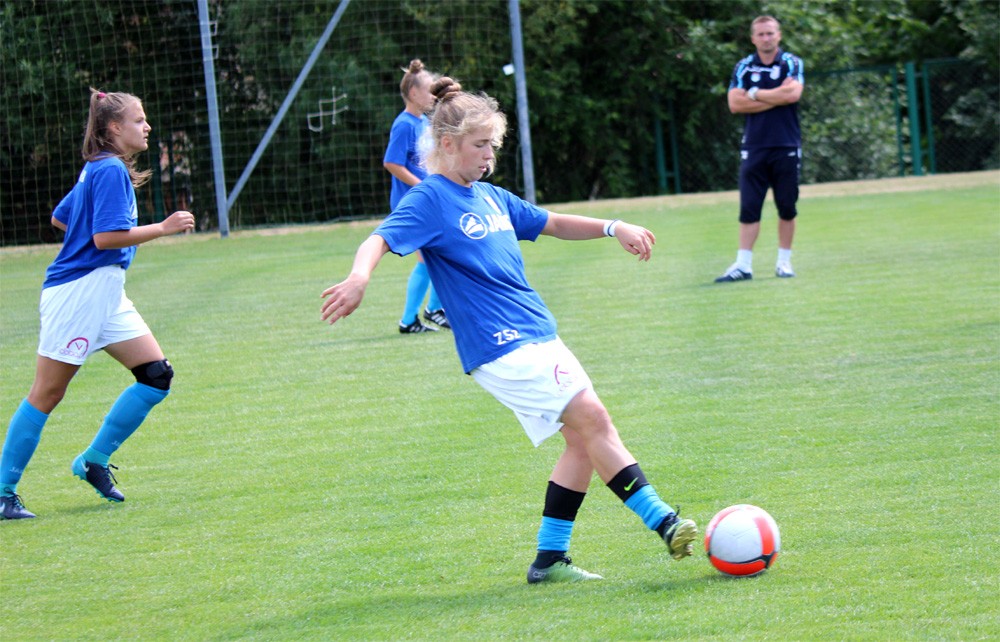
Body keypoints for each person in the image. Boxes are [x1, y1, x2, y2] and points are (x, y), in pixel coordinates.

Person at [321, 77, 698, 583]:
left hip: (537, 331)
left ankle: (549, 559)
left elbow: (552, 222)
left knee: (582, 442)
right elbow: (379, 238)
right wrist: (358, 277)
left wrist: (613, 227)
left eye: (493, 146)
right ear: (447, 144)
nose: (488, 156)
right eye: (480, 145)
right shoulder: (430, 198)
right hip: (500, 345)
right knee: (594, 418)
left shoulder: (491, 197)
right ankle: (665, 522)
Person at [0, 89, 195, 520]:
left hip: (106, 292)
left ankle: (93, 461)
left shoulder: (101, 167)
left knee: (156, 376)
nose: (147, 127)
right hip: (79, 293)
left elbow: (61, 217)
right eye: (139, 120)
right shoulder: (108, 170)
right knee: (47, 392)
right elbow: (104, 238)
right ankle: (3, 492)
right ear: (114, 127)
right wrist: (162, 228)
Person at [715, 15, 804, 282]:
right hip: (754, 146)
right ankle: (743, 265)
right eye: (761, 34)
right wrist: (777, 96)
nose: (766, 38)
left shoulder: (791, 63)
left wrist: (753, 93)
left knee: (786, 206)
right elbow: (735, 104)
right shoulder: (743, 66)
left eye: (770, 33)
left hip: (786, 144)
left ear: (779, 35)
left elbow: (793, 94)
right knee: (749, 207)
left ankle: (784, 262)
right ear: (753, 38)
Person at [384, 59, 450, 333]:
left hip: (427, 201)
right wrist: (422, 186)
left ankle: (431, 310)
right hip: (411, 203)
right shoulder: (404, 125)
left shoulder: (423, 122)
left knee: (440, 253)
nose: (433, 95)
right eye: (428, 90)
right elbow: (392, 163)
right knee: (428, 258)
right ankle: (411, 319)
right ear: (413, 93)